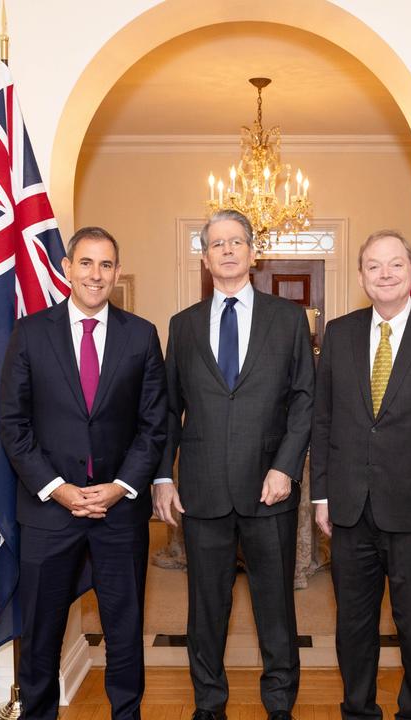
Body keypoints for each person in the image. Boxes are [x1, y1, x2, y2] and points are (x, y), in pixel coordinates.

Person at [0, 227, 167, 720]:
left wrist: (118, 488)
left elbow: (153, 425)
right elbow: (13, 424)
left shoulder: (141, 335)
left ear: (117, 273)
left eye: (107, 265)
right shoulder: (30, 333)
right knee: (42, 630)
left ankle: (126, 714)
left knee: (124, 627)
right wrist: (58, 490)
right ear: (67, 268)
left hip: (120, 513)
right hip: (49, 512)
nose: (97, 275)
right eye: (87, 263)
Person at [153, 209, 314, 720]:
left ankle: (280, 705)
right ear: (204, 256)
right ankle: (209, 705)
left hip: (270, 491)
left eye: (236, 241)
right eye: (216, 243)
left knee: (276, 610)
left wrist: (286, 467)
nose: (226, 250)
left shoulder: (288, 319)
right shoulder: (182, 326)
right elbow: (167, 410)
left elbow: (305, 401)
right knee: (205, 611)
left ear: (252, 252)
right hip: (202, 492)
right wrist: (162, 476)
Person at [311, 230, 411, 720]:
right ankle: (358, 710)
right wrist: (321, 495)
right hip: (350, 511)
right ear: (361, 276)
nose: (385, 274)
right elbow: (323, 421)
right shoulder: (338, 334)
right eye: (374, 266)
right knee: (353, 627)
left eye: (395, 264)